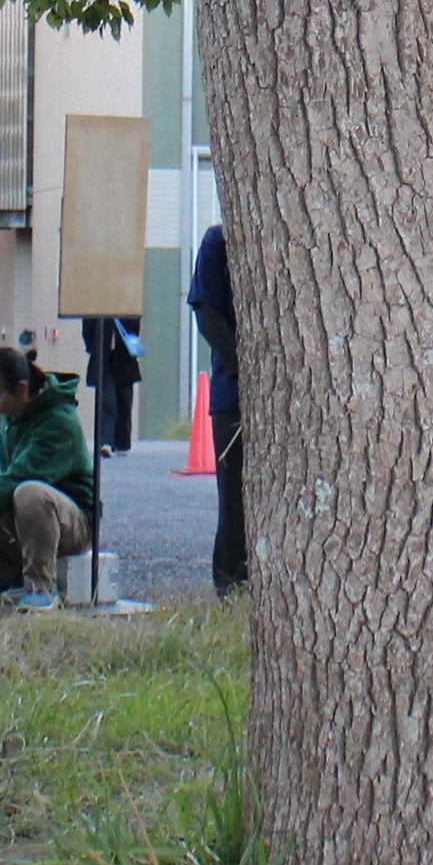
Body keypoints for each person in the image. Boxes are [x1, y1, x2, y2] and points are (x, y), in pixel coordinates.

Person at [0, 347, 97, 608]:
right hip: (23, 517)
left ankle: (41, 591)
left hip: (74, 523)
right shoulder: (11, 413)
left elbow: (13, 481)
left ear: (22, 390)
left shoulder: (59, 424)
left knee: (30, 493)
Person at [188, 222, 247, 594]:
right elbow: (206, 312)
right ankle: (231, 582)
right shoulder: (218, 241)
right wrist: (243, 367)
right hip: (232, 394)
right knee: (234, 496)